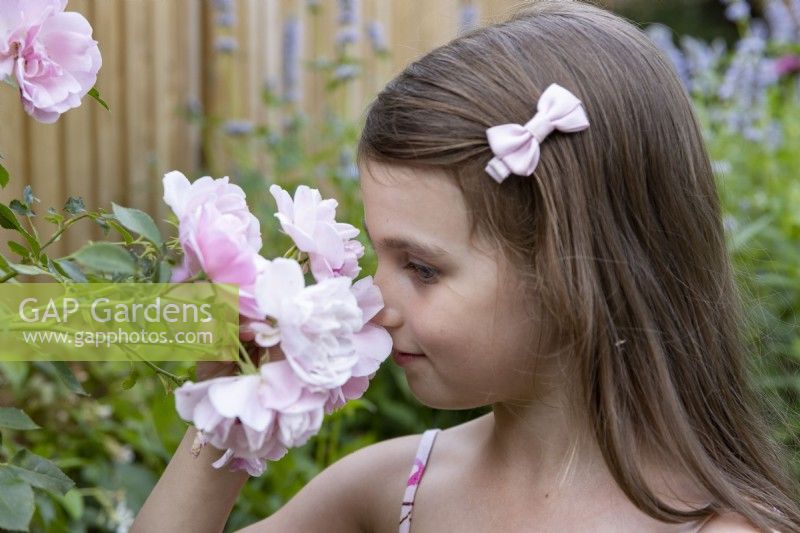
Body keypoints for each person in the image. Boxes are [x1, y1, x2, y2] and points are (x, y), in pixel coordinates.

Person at [132, 1, 800, 531]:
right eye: (376, 254)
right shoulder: (395, 489)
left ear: (572, 269)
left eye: (421, 267)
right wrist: (228, 421)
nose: (375, 300)